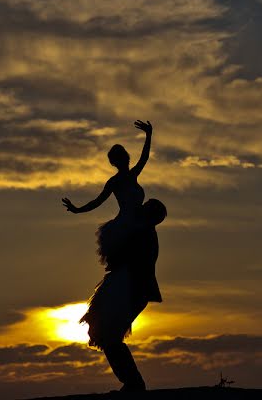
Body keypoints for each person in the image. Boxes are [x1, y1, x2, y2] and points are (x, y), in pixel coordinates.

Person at [61, 119, 166, 393]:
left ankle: (133, 384)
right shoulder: (118, 183)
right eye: (117, 158)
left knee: (111, 335)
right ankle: (132, 384)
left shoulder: (144, 230)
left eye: (121, 157)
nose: (121, 160)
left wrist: (149, 135)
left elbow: (144, 157)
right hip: (125, 245)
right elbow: (98, 201)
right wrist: (77, 209)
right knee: (108, 334)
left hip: (132, 273)